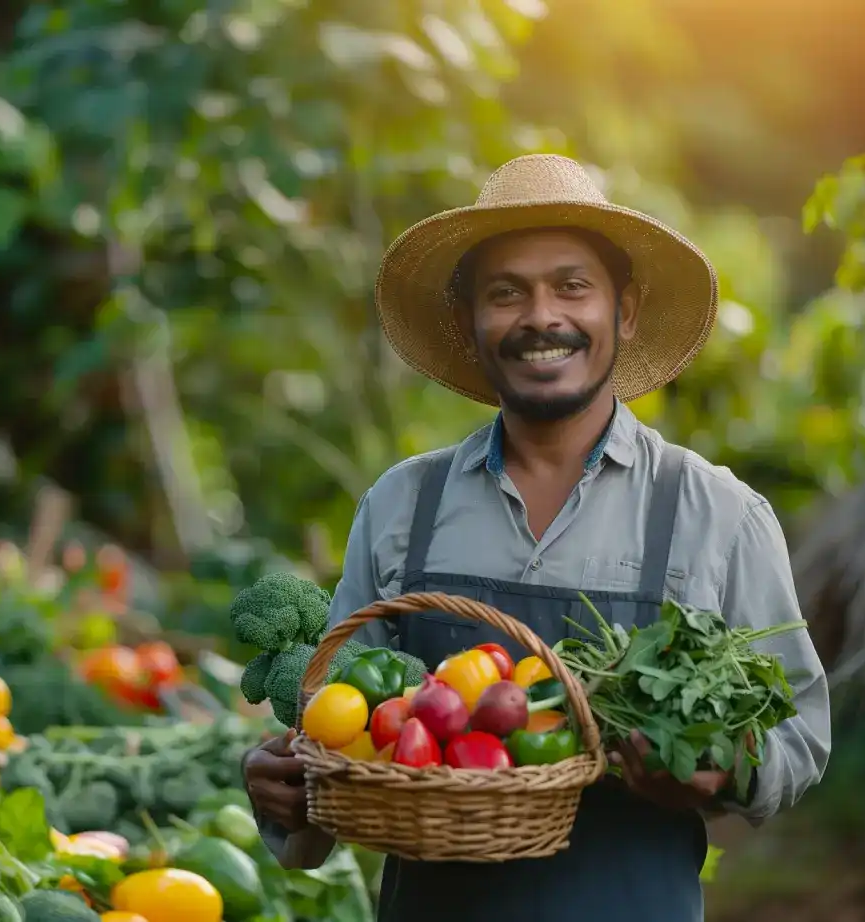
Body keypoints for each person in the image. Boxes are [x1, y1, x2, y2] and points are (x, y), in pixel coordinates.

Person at [241, 154, 831, 922]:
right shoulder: (401, 507)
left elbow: (800, 734)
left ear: (623, 310)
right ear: (469, 322)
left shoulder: (714, 513)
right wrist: (287, 794)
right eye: (505, 293)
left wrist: (727, 772)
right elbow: (339, 737)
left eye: (572, 286)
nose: (541, 317)